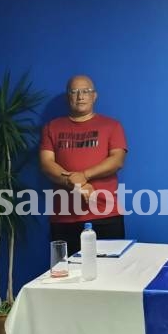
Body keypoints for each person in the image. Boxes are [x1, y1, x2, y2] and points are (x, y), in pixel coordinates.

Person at [40, 75, 127, 255]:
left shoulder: (112, 125)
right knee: (64, 275)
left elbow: (117, 160)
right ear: (68, 97)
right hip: (63, 217)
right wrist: (77, 183)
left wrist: (84, 176)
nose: (81, 96)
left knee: (111, 274)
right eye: (75, 91)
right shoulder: (52, 127)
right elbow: (46, 164)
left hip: (105, 214)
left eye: (86, 91)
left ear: (94, 96)